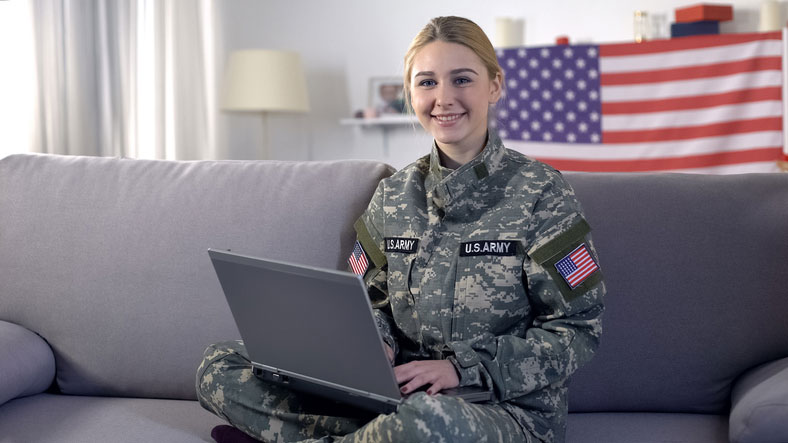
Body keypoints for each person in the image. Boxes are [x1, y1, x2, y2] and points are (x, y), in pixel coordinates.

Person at [197, 16, 605, 443]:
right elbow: (368, 302)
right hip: (392, 394)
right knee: (219, 363)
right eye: (427, 82)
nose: (444, 98)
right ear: (411, 94)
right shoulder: (392, 196)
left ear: (495, 86)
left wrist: (460, 369)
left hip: (501, 412)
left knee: (425, 423)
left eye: (461, 79)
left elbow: (576, 330)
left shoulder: (542, 192)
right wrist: (375, 347)